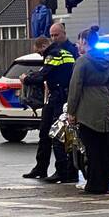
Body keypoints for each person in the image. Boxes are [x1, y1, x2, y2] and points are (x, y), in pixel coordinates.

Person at [21, 22, 79, 183]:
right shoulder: (58, 52)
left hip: (60, 96)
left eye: (56, 35)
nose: (54, 38)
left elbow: (44, 74)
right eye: (52, 35)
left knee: (60, 133)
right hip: (53, 95)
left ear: (64, 33)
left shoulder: (63, 52)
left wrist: (27, 79)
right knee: (45, 132)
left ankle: (66, 171)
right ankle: (41, 167)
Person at [67, 26, 109, 194]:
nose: (77, 44)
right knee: (103, 147)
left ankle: (95, 184)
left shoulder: (83, 61)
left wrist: (71, 111)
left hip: (87, 106)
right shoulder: (106, 60)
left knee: (91, 147)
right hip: (103, 104)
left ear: (85, 42)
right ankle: (106, 182)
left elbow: (75, 87)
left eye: (79, 41)